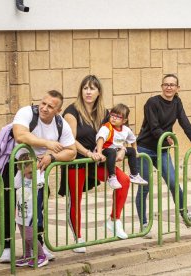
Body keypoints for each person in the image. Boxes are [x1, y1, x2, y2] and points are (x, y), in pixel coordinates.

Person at [0, 90, 77, 263]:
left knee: (35, 210)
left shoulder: (60, 124)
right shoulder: (27, 112)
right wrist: (47, 143)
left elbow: (72, 151)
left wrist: (52, 157)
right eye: (43, 103)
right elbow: (20, 135)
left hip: (38, 171)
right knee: (10, 207)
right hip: (14, 166)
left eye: (51, 106)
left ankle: (39, 248)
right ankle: (6, 246)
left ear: (58, 110)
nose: (45, 108)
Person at [62, 75, 131, 246]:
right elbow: (70, 139)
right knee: (75, 200)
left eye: (92, 88)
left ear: (99, 92)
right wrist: (87, 153)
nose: (88, 91)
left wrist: (122, 149)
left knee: (123, 180)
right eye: (85, 88)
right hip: (76, 160)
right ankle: (78, 238)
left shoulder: (106, 113)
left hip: (97, 161)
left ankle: (114, 220)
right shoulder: (72, 111)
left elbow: (119, 134)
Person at [135, 74, 191, 230]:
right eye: (166, 84)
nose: (169, 87)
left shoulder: (176, 102)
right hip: (145, 149)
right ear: (161, 86)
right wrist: (164, 136)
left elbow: (184, 122)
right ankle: (144, 223)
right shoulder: (152, 102)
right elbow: (154, 126)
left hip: (162, 150)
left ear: (177, 88)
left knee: (174, 183)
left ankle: (185, 215)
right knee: (145, 186)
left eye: (172, 85)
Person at [96, 103, 148, 189]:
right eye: (112, 115)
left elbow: (133, 140)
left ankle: (134, 175)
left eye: (118, 117)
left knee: (131, 151)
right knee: (112, 151)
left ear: (124, 121)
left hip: (116, 151)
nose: (114, 118)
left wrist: (135, 150)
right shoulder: (106, 128)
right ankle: (112, 177)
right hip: (105, 150)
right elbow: (100, 139)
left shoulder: (126, 130)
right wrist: (99, 153)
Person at [14, 153, 48, 268]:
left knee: (29, 236)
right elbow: (16, 185)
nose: (29, 175)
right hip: (21, 209)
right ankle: (27, 255)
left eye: (31, 172)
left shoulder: (38, 176)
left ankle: (41, 256)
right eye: (27, 173)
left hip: (31, 212)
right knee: (24, 236)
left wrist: (37, 169)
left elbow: (40, 184)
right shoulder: (21, 177)